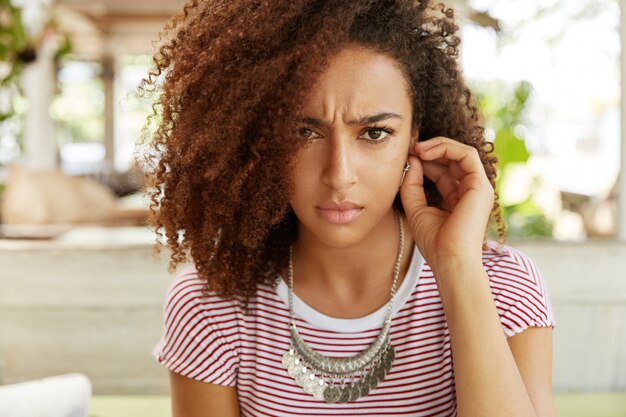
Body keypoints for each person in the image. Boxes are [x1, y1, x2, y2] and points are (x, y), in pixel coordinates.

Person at [139, 1, 556, 416]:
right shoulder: (212, 305)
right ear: (258, 139)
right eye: (304, 132)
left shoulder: (501, 288)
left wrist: (458, 270)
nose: (339, 175)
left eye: (374, 133)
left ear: (416, 135)